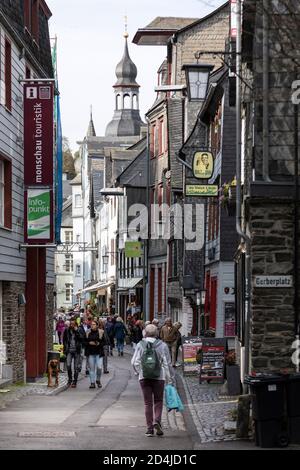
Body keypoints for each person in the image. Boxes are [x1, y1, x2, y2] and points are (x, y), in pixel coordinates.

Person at [131, 324, 175, 437]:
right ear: (157, 333)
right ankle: (157, 421)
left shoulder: (140, 345)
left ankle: (149, 429)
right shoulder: (163, 345)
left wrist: (138, 372)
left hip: (144, 377)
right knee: (158, 401)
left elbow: (134, 362)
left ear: (145, 333)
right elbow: (167, 363)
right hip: (159, 377)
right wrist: (170, 379)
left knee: (147, 403)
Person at [85, 320, 107, 389]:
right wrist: (89, 343)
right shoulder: (88, 332)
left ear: (97, 325)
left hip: (99, 353)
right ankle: (92, 383)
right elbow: (84, 341)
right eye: (91, 324)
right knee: (91, 369)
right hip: (91, 353)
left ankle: (98, 379)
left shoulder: (101, 332)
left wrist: (99, 343)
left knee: (99, 367)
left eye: (94, 324)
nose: (92, 325)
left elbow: (105, 341)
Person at [63, 318, 84, 388]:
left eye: (73, 324)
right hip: (69, 350)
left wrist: (77, 331)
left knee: (76, 367)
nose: (71, 325)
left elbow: (82, 339)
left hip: (77, 351)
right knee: (68, 365)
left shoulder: (79, 330)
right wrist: (65, 350)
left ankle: (74, 381)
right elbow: (64, 341)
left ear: (75, 324)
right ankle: (70, 379)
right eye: (70, 324)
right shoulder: (67, 330)